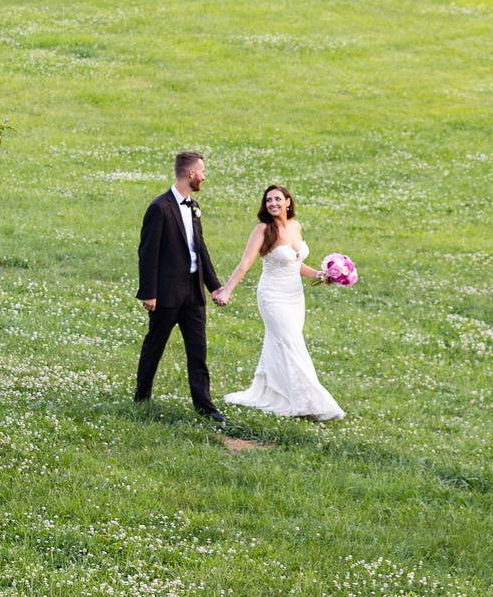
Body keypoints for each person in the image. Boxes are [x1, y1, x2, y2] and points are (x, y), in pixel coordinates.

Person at [216, 184, 345, 420]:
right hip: (272, 297)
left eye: (277, 199)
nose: (272, 203)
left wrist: (320, 274)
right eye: (268, 200)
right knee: (292, 344)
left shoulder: (296, 226)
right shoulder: (263, 229)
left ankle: (275, 392)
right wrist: (226, 291)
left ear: (288, 202)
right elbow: (245, 263)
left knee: (280, 344)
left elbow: (296, 265)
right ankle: (312, 402)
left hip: (295, 298)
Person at [135, 149, 228, 418]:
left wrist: (214, 286)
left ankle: (205, 407)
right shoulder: (159, 207)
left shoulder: (193, 206)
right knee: (154, 347)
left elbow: (201, 249)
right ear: (191, 174)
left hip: (193, 293)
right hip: (165, 295)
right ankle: (142, 398)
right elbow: (147, 252)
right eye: (202, 172)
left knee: (198, 352)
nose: (204, 177)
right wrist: (149, 292)